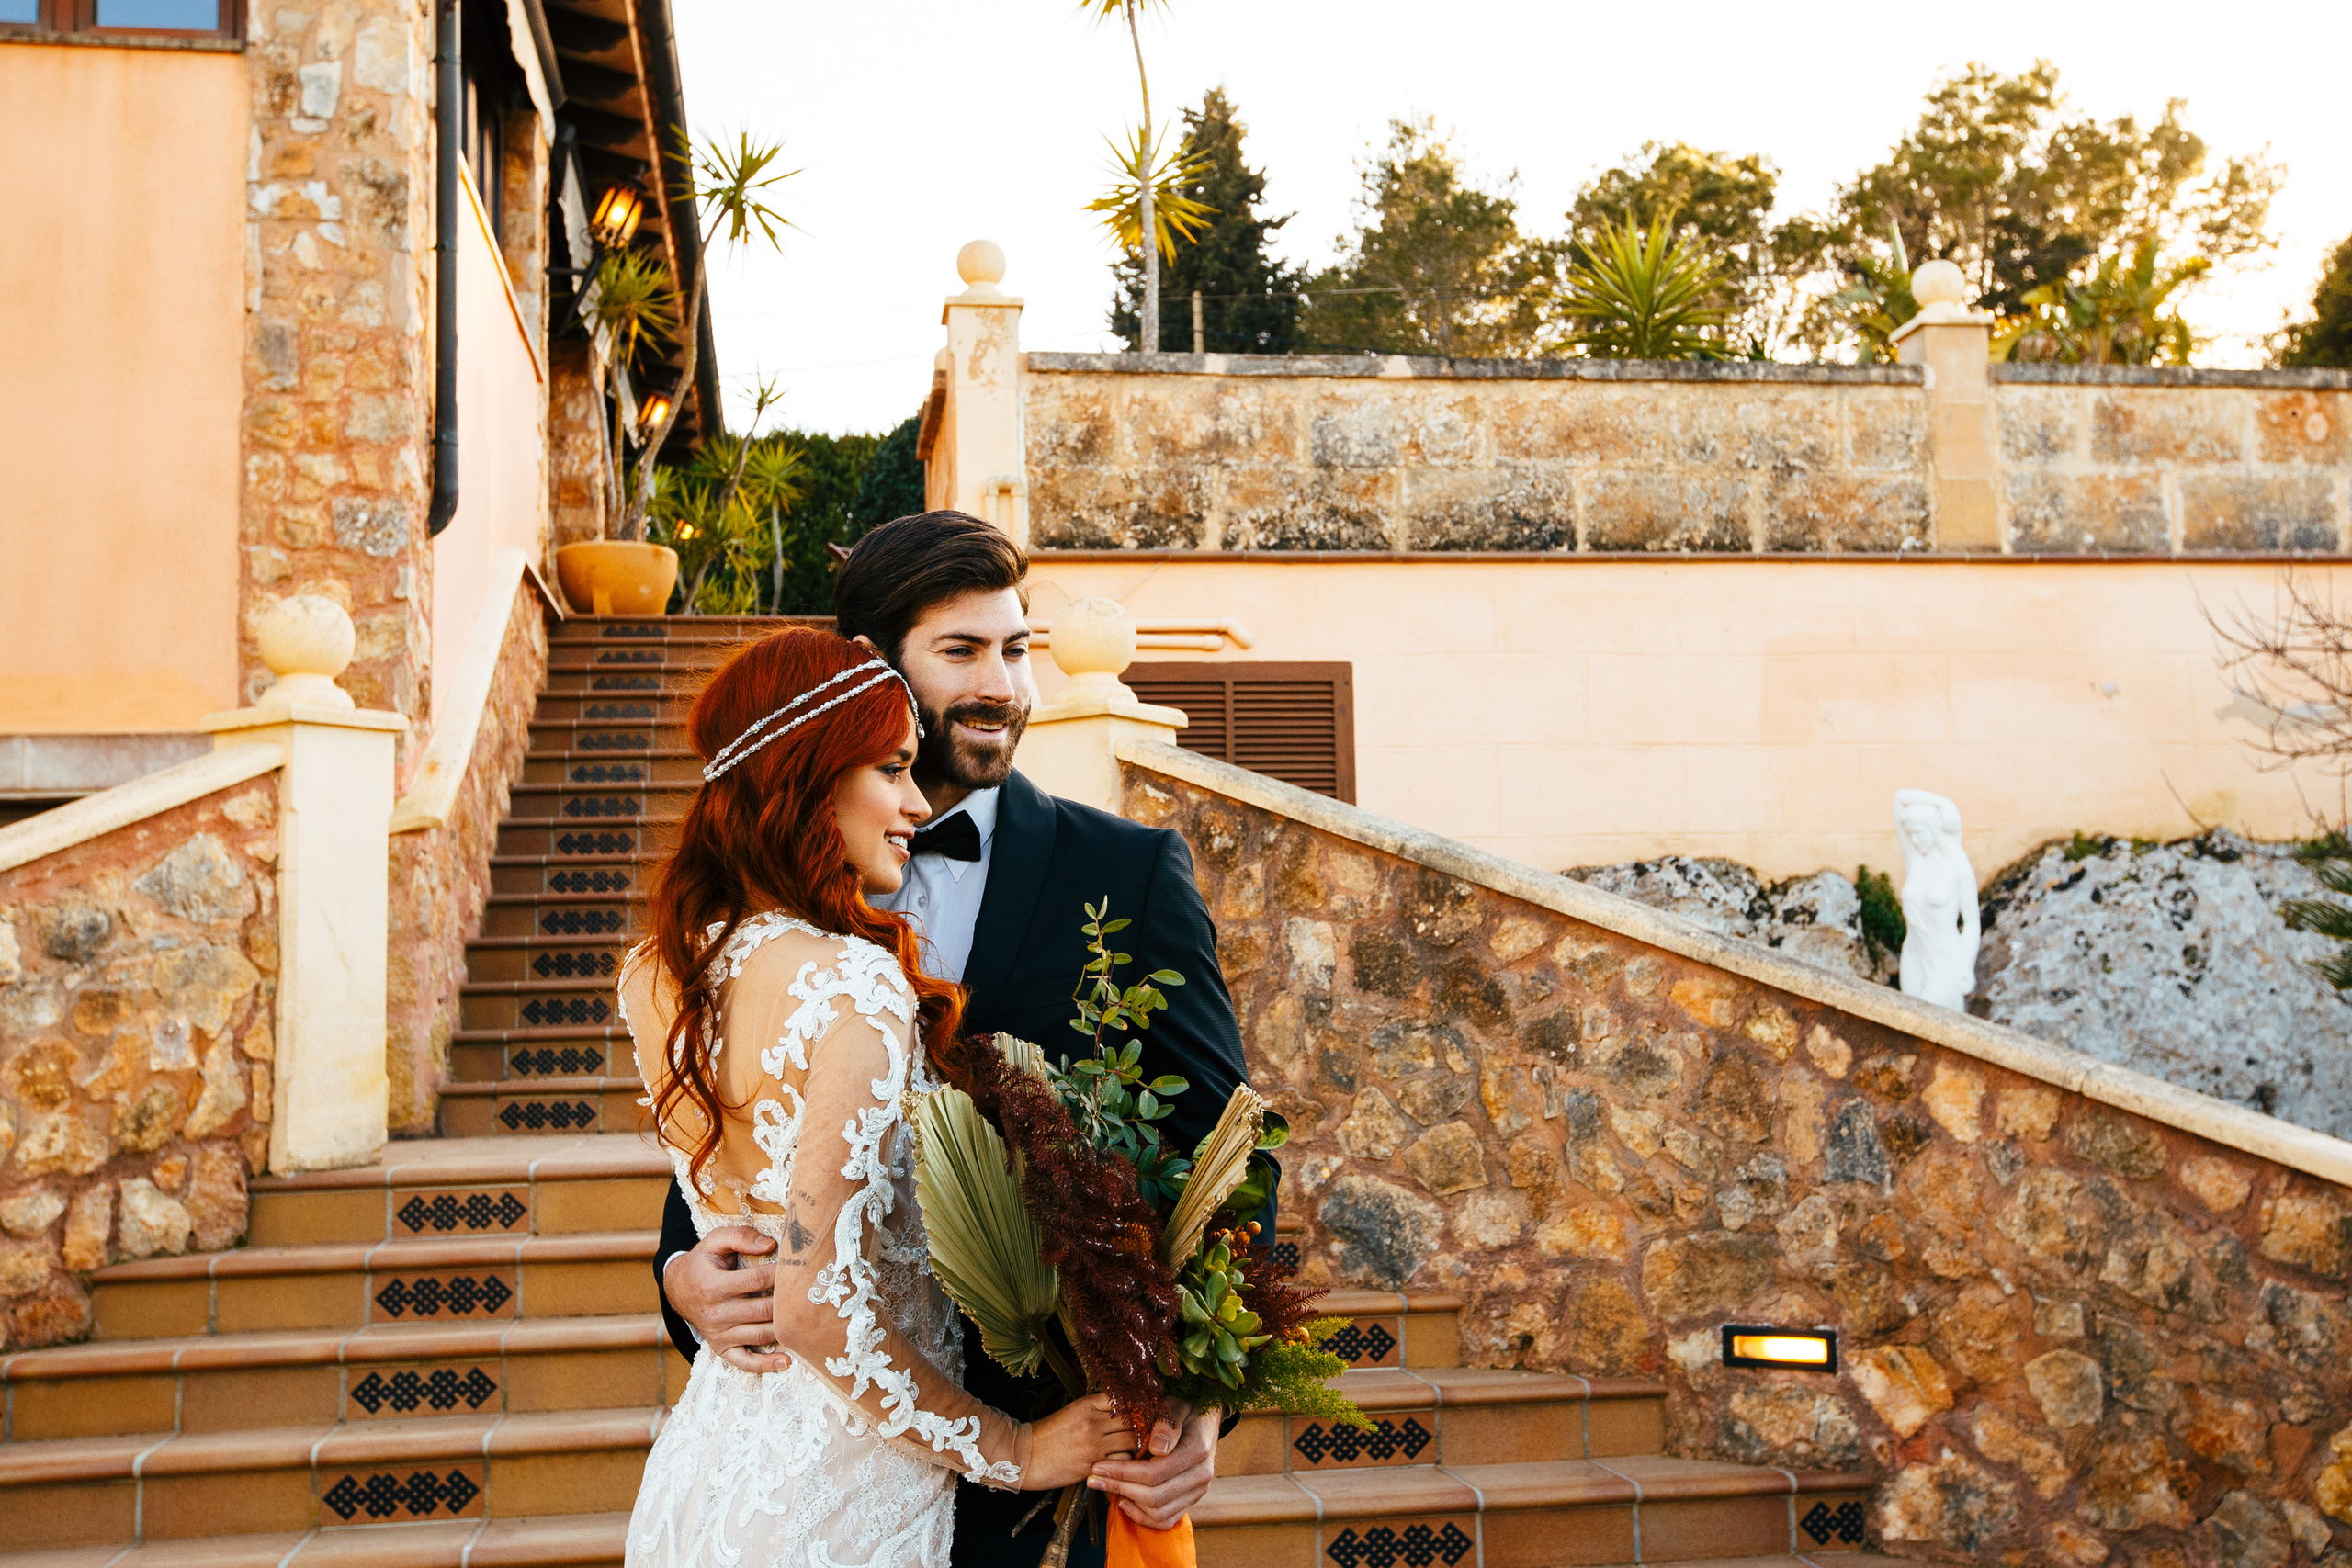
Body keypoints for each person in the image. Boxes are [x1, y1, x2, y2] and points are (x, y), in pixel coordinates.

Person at [653, 512, 1264, 1566]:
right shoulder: (780, 910)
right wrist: (680, 1272)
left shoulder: (1126, 873)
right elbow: (748, 1137)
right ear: (868, 671)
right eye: (961, 652)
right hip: (834, 1462)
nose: (1004, 686)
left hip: (1058, 1463)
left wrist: (1204, 1406)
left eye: (1016, 648)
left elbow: (1227, 1161)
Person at [620, 629, 1139, 1566]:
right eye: (892, 769)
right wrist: (1014, 1447)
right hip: (849, 1498)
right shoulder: (852, 983)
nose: (913, 803)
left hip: (709, 1474)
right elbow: (814, 1303)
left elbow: (747, 1227)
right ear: (809, 778)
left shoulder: (658, 974)